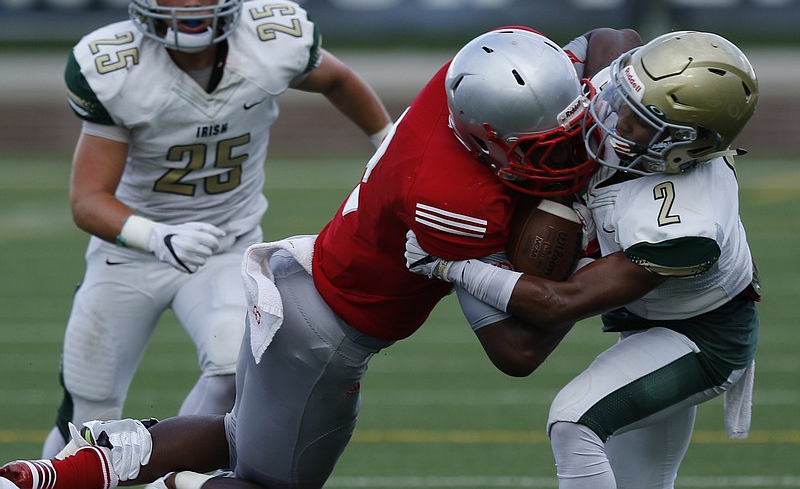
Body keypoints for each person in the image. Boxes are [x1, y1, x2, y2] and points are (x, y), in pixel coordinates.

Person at [0, 25, 641, 489]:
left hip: (299, 287)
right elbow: (517, 352)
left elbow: (613, 38)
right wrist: (606, 254)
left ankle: (45, 477)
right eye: (538, 147)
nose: (563, 152)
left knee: (234, 435)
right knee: (268, 482)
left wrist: (623, 87)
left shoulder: (490, 69)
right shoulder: (452, 201)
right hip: (323, 337)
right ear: (482, 140)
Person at [40, 0, 393, 459]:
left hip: (226, 246)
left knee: (234, 363)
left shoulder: (270, 41)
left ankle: (157, 463)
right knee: (90, 405)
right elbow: (87, 201)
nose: (192, 3)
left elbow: (339, 78)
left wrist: (385, 143)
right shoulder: (115, 68)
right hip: (131, 253)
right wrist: (157, 236)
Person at [404, 30, 761, 488]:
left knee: (575, 422)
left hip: (700, 340)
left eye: (640, 121)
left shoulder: (684, 227)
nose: (617, 117)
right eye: (624, 97)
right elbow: (612, 38)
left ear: (686, 144)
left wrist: (450, 265)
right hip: (651, 321)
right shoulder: (635, 100)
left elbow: (562, 303)